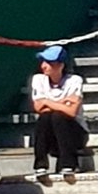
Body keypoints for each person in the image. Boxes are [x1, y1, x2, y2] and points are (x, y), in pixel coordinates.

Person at [30, 46, 87, 180]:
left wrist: (47, 102)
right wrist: (63, 103)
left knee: (58, 117)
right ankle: (40, 164)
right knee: (45, 117)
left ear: (60, 65)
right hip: (51, 133)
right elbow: (38, 107)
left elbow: (72, 112)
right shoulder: (38, 80)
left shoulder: (74, 80)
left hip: (75, 134)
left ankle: (69, 164)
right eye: (43, 62)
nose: (44, 66)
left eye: (49, 63)